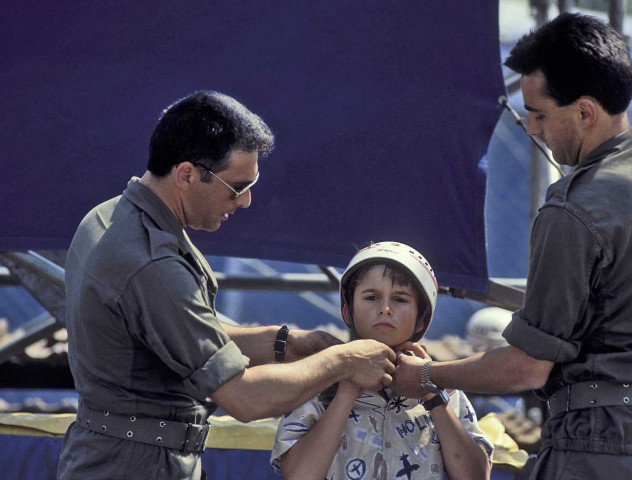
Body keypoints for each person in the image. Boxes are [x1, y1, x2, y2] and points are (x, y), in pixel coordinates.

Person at [392, 13, 632, 479]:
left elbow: (528, 369)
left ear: (585, 112)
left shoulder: (574, 207)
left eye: (539, 113)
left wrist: (426, 378)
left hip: (597, 455)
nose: (531, 128)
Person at [57, 91, 396, 479]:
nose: (247, 201)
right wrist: (343, 362)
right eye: (237, 187)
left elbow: (188, 333)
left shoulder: (112, 218)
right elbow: (245, 398)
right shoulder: (152, 262)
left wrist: (288, 342)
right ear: (186, 174)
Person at [270, 242, 492, 480]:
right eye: (372, 297)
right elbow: (299, 475)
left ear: (421, 319)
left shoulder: (443, 387)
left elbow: (475, 476)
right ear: (348, 311)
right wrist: (346, 390)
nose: (385, 308)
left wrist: (432, 394)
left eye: (400, 299)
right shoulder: (318, 379)